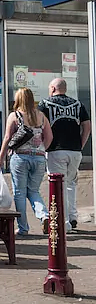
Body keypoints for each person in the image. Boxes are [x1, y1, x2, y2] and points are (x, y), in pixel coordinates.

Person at [0, 87, 53, 236]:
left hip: (20, 157)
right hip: (39, 158)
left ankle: (23, 228)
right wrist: (40, 150)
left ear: (18, 99)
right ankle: (44, 216)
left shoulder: (14, 116)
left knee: (20, 193)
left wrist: (1, 156)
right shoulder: (41, 116)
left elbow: (7, 138)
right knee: (33, 191)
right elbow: (49, 137)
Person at [40, 78, 92, 233]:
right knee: (71, 184)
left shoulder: (45, 104)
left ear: (54, 88)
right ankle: (72, 216)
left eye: (50, 87)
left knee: (58, 186)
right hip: (75, 150)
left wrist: (43, 146)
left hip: (55, 149)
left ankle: (65, 223)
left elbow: (38, 124)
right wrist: (80, 145)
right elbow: (87, 126)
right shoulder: (78, 104)